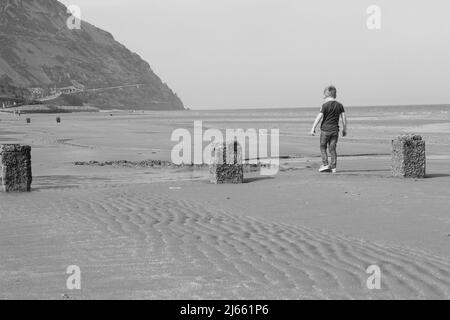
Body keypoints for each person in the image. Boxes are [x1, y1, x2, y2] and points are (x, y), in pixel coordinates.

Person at [310, 85, 347, 173]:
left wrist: (313, 128)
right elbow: (344, 118)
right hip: (335, 131)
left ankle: (325, 164)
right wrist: (344, 129)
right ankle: (333, 167)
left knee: (323, 147)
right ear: (335, 95)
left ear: (326, 95)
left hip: (325, 130)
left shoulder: (324, 105)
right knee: (332, 148)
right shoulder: (340, 105)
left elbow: (319, 117)